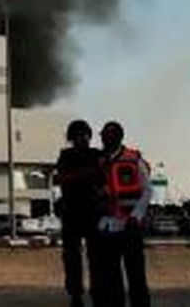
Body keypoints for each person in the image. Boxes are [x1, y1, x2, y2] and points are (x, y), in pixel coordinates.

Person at [98, 121, 152, 307]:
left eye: (109, 135)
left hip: (130, 227)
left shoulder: (133, 159)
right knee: (112, 279)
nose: (104, 139)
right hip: (108, 227)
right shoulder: (100, 162)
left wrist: (136, 216)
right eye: (103, 135)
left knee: (136, 275)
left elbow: (147, 191)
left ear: (119, 137)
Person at [55, 119, 106, 307]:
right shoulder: (66, 155)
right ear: (71, 138)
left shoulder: (97, 154)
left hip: (92, 211)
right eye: (78, 135)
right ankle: (76, 293)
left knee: (96, 257)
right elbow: (61, 178)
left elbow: (105, 179)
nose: (82, 138)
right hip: (72, 211)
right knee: (71, 257)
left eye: (84, 135)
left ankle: (97, 291)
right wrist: (88, 172)